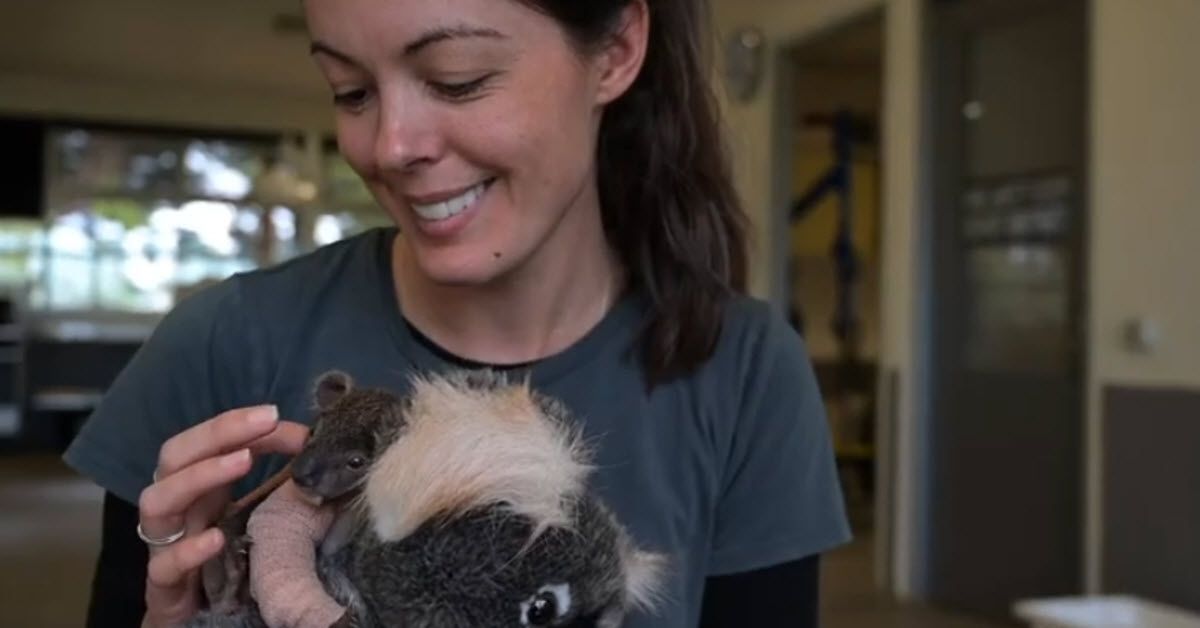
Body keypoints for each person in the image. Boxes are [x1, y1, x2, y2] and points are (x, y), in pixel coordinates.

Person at [63, 0, 852, 626]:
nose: (390, 145)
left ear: (614, 52)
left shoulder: (745, 371)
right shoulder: (219, 345)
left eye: (457, 78)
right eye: (352, 91)